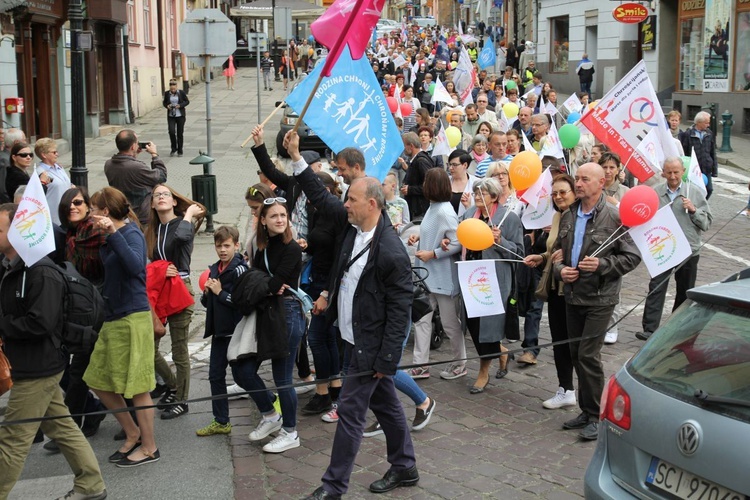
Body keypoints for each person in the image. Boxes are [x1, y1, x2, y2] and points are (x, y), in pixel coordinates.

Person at [302, 176, 418, 500]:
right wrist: (327, 293)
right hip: (352, 336)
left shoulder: (391, 252)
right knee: (386, 403)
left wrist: (387, 359)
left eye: (351, 199)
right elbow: (343, 268)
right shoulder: (353, 232)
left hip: (371, 346)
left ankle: (333, 486)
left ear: (371, 204)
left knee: (351, 413)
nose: (345, 205)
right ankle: (405, 465)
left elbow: (399, 313)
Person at [0, 203, 108, 499]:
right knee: (62, 427)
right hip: (29, 364)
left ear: (16, 232)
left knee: (13, 436)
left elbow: (41, 323)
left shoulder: (40, 272)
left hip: (39, 367)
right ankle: (91, 485)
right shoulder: (12, 267)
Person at [553, 163, 641, 440]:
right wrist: (560, 271)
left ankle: (596, 415)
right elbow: (558, 256)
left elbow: (632, 257)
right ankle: (586, 408)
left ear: (601, 182)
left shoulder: (614, 217)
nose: (578, 184)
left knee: (588, 355)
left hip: (600, 297)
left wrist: (602, 264)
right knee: (576, 352)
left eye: (584, 179)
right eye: (577, 178)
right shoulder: (568, 215)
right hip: (572, 294)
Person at [83, 187, 161, 466]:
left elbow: (135, 266)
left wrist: (114, 234)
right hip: (114, 317)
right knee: (98, 379)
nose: (90, 213)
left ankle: (150, 447)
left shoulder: (129, 234)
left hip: (133, 318)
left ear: (105, 212)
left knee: (139, 386)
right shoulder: (107, 237)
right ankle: (132, 432)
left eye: (93, 208)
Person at [233, 198, 305, 454]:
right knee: (242, 369)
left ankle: (291, 431)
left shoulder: (292, 248)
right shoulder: (260, 245)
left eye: (283, 215)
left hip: (288, 314)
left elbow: (275, 285)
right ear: (262, 220)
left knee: (283, 378)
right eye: (273, 215)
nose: (279, 219)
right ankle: (270, 414)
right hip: (265, 312)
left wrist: (264, 284)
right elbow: (265, 282)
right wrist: (266, 284)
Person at [458, 178, 524, 391]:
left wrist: (500, 241)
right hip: (470, 279)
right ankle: (502, 351)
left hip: (493, 283)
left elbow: (520, 253)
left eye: (482, 193)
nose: (477, 197)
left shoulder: (508, 218)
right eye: (476, 192)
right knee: (473, 325)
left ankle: (483, 372)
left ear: (494, 197)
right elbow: (459, 239)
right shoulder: (469, 215)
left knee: (487, 327)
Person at [144, 184, 204, 419]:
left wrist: (188, 214)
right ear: (151, 203)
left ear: (174, 201)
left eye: (165, 195)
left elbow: (182, 238)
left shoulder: (182, 223)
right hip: (159, 289)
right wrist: (158, 272)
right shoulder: (152, 230)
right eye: (156, 195)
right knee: (150, 346)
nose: (160, 198)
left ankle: (182, 400)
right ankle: (172, 385)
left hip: (180, 288)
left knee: (179, 349)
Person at [638, 157, 712, 341]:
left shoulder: (693, 192)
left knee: (685, 290)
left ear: (683, 172)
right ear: (663, 172)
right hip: (663, 248)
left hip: (688, 249)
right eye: (669, 172)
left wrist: (694, 210)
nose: (672, 176)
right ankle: (649, 328)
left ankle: (676, 326)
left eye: (676, 172)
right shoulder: (655, 193)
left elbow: (707, 223)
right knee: (656, 287)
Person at [524, 174, 578, 409]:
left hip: (574, 288)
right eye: (554, 193)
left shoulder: (580, 217)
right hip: (555, 287)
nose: (558, 197)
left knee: (576, 344)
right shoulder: (557, 216)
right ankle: (565, 389)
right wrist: (542, 256)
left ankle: (583, 395)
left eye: (563, 192)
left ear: (574, 192)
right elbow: (554, 250)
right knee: (559, 341)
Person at [409, 169, 466, 381]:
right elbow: (436, 235)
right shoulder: (434, 208)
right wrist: (419, 238)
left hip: (442, 277)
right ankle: (420, 365)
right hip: (429, 276)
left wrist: (433, 253)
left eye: (426, 182)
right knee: (422, 320)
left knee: (450, 323)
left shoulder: (443, 211)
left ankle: (460, 363)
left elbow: (457, 242)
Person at [297, 172, 344, 418]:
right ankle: (334, 388)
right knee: (326, 336)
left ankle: (322, 392)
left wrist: (327, 291)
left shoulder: (338, 216)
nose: (308, 201)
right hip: (317, 280)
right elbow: (318, 245)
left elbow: (338, 257)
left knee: (316, 337)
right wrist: (307, 245)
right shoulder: (317, 213)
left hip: (329, 285)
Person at [196, 226, 248, 436]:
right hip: (219, 333)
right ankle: (221, 421)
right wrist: (208, 293)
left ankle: (272, 402)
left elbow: (242, 303)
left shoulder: (240, 269)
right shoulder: (215, 268)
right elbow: (209, 303)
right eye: (219, 246)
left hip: (236, 332)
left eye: (227, 246)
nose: (222, 250)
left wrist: (220, 293)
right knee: (215, 376)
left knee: (244, 377)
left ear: (236, 245)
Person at [104, 130, 167, 226]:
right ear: (133, 146)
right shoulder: (137, 167)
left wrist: (134, 155)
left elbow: (128, 169)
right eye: (137, 143)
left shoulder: (108, 164)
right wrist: (154, 155)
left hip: (122, 213)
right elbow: (162, 176)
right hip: (141, 216)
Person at [680, 111, 717, 199]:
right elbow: (684, 152)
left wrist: (714, 169)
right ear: (699, 122)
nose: (708, 125)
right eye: (706, 123)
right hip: (694, 168)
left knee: (709, 189)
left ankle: (701, 205)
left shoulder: (709, 133)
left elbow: (713, 152)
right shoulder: (688, 134)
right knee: (693, 189)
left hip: (706, 166)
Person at [36, 137, 72, 226]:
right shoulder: (41, 172)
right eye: (54, 152)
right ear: (44, 154)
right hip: (54, 219)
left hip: (66, 213)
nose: (57, 154)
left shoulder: (59, 168)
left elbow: (64, 183)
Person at [399, 132, 434, 220]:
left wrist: (410, 189)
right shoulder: (416, 160)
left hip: (421, 211)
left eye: (404, 146)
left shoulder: (421, 161)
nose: (403, 149)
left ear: (411, 146)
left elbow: (431, 186)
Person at [162, 79, 189, 157]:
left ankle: (180, 150)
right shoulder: (167, 93)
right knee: (171, 131)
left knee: (180, 133)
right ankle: (173, 148)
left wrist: (180, 105)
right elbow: (164, 102)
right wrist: (167, 106)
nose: (173, 90)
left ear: (176, 87)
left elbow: (187, 101)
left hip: (180, 115)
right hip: (171, 115)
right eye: (171, 89)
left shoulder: (181, 93)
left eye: (174, 89)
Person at [447, 149, 478, 217]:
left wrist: (469, 206)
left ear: (465, 165)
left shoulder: (476, 183)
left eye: (454, 165)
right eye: (449, 164)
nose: (450, 168)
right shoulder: (445, 182)